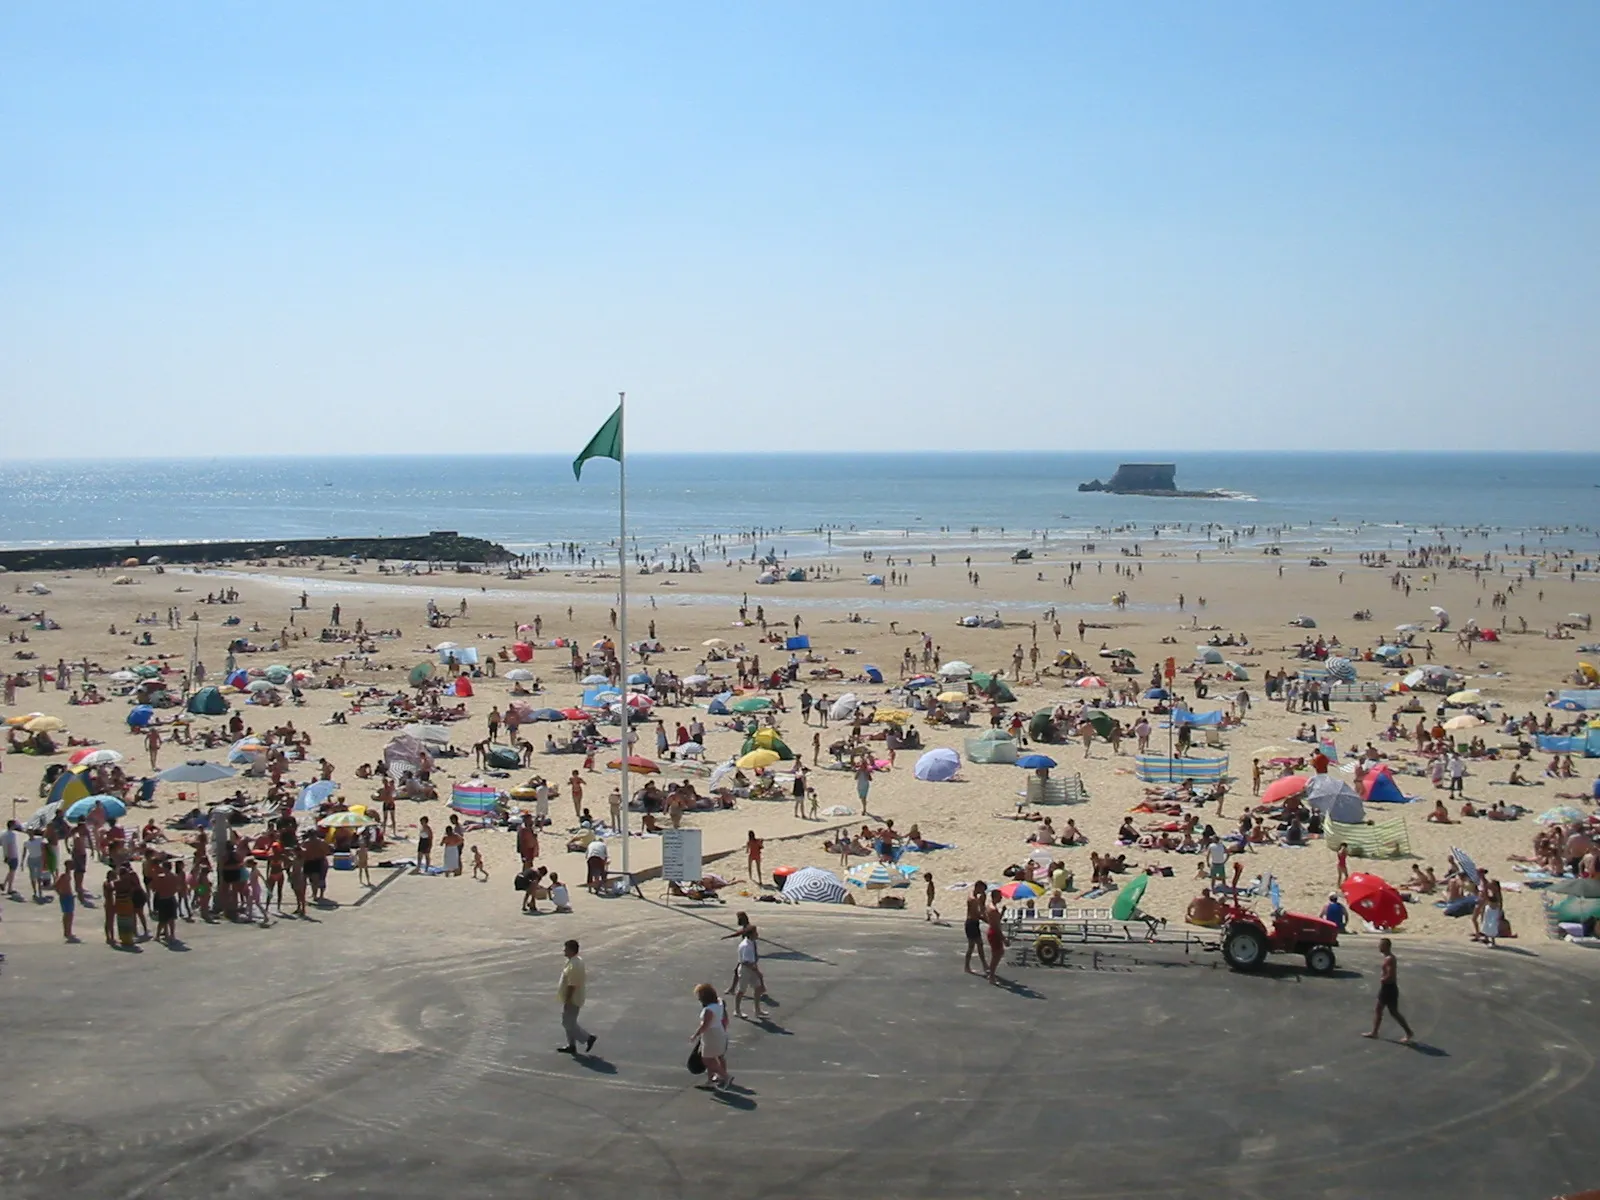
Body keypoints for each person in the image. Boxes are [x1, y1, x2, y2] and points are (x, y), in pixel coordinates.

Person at [1363, 937, 1415, 1044]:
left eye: (1381, 945)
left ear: (1386, 946)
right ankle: (1375, 1032)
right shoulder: (1388, 958)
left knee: (1391, 1012)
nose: (1379, 946)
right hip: (1388, 988)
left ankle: (1408, 1032)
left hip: (1388, 988)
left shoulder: (1390, 959)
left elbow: (1391, 975)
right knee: (1383, 1010)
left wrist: (1383, 979)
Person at [555, 939, 596, 1055]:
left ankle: (588, 1038)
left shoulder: (574, 964)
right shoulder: (574, 961)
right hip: (572, 998)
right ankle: (571, 1045)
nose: (564, 950)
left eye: (566, 948)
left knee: (568, 1023)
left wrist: (568, 999)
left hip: (573, 999)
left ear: (571, 950)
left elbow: (572, 985)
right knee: (568, 1022)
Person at [691, 981, 732, 1090]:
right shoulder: (719, 1003)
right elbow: (724, 1016)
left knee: (707, 1059)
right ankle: (711, 1080)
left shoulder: (709, 1010)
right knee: (715, 1056)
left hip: (711, 1035)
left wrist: (695, 1035)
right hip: (718, 1032)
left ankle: (725, 1076)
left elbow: (705, 1025)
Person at [963, 880, 988, 975]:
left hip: (974, 923)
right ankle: (983, 965)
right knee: (976, 945)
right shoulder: (973, 899)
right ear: (978, 887)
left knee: (975, 946)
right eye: (982, 889)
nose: (983, 892)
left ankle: (969, 966)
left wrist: (982, 902)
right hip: (971, 923)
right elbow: (976, 914)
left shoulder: (974, 897)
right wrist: (988, 921)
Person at [984, 888, 1007, 984]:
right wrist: (1003, 938)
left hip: (993, 931)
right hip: (994, 932)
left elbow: (997, 920)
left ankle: (991, 973)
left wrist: (1003, 912)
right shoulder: (992, 909)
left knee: (998, 953)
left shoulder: (991, 907)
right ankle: (992, 976)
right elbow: (996, 926)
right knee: (997, 954)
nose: (1001, 898)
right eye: (999, 896)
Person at [53, 866, 78, 942]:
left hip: (68, 896)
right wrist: (60, 893)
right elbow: (56, 885)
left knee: (70, 915)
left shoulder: (68, 875)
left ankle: (68, 931)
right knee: (68, 915)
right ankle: (67, 932)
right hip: (65, 896)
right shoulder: (64, 876)